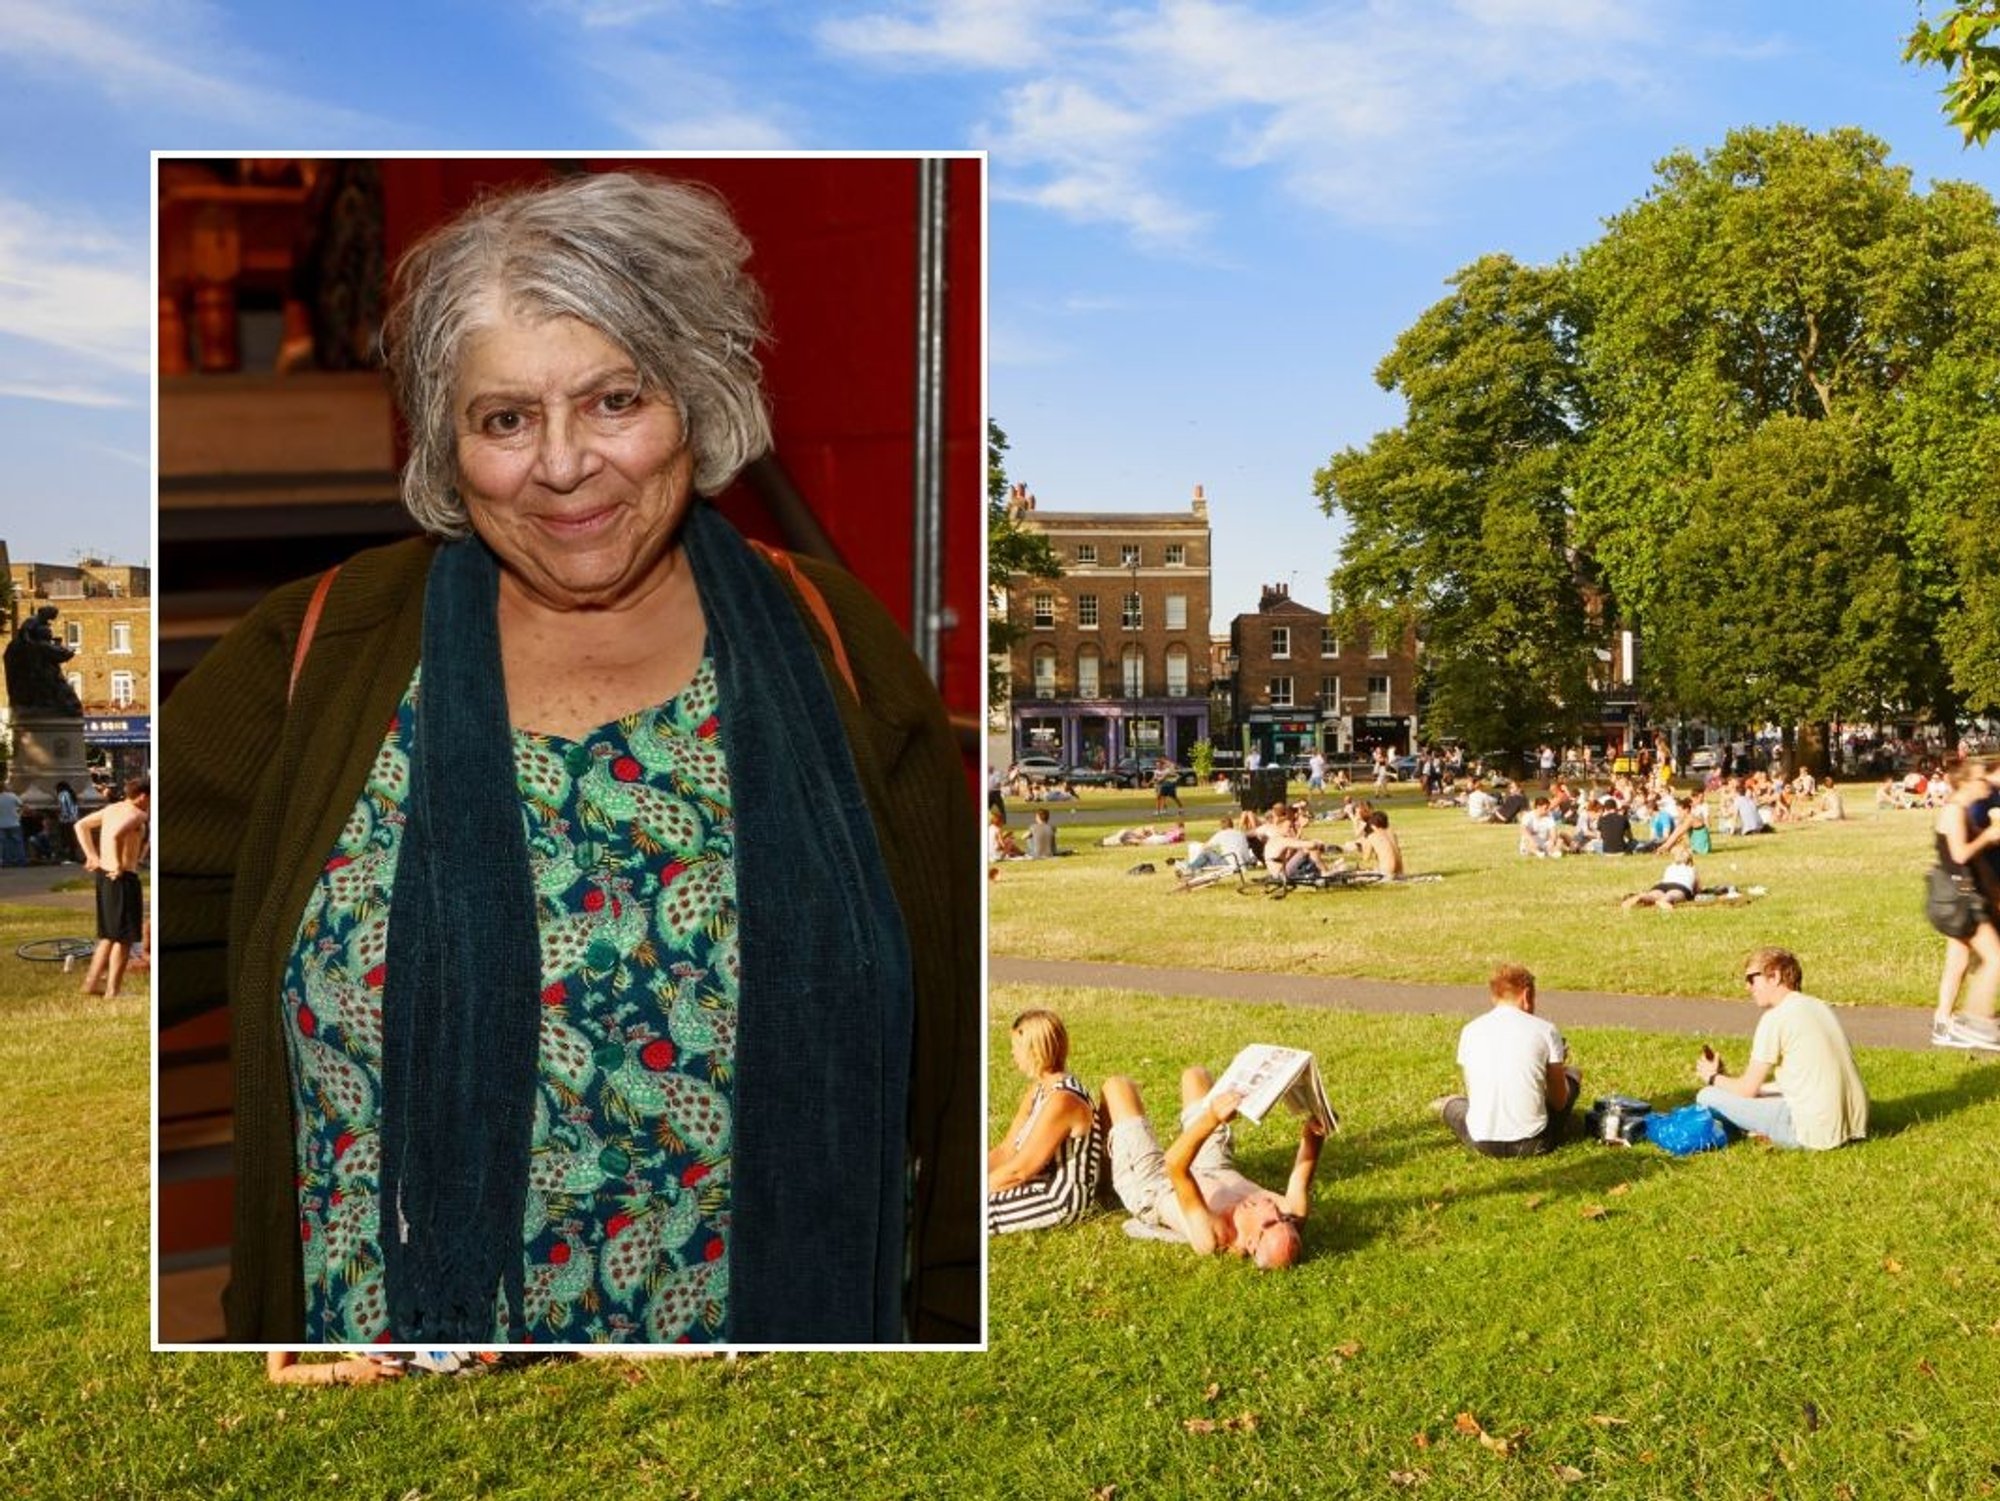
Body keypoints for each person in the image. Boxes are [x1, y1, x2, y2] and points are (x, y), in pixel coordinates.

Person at [157, 171, 977, 1346]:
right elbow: (114, 926)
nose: (558, 465)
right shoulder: (318, 650)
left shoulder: (834, 648)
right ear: (449, 442)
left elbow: (946, 1063)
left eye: (612, 400)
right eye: (504, 419)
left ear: (694, 399)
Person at [1100, 1065, 1326, 1268]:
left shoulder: (1211, 1235)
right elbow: (1306, 1160)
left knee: (1118, 1087)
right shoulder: (1290, 1213)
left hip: (1156, 1185)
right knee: (1196, 1075)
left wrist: (1212, 1118)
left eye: (1270, 1221)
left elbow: (1174, 1165)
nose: (1275, 1209)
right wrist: (1316, 1130)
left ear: (1250, 1242)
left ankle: (1101, 1177)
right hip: (1215, 1168)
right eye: (1284, 1220)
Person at [1695, 947, 1867, 1150]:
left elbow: (1746, 1090)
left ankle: (1744, 1130)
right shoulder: (1818, 1006)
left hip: (1811, 1132)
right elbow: (1793, 1081)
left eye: (1751, 979)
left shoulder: (1775, 1018)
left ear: (1774, 976)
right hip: (1854, 1125)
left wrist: (1713, 1078)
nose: (1747, 988)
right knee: (1762, 1091)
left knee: (1706, 1096)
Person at [1437, 964, 1579, 1157]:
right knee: (1574, 1075)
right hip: (1534, 1142)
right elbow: (1559, 1101)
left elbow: (1474, 1086)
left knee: (1456, 1107)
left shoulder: (1470, 1030)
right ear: (1527, 995)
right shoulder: (1546, 1030)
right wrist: (1557, 1070)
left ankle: (1447, 1103)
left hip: (1482, 1141)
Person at [987, 1011, 1098, 1235]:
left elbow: (1021, 1171)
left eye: (1016, 1047)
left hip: (1060, 1197)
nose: (1012, 1053)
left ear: (1035, 1051)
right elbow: (1007, 1150)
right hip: (1036, 1182)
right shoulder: (1039, 1090)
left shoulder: (1064, 1100)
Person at [1930, 760, 2000, 1051]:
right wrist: (1988, 835)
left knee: (1957, 962)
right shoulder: (1955, 811)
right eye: (1980, 779)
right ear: (1966, 783)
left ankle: (1942, 1023)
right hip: (1960, 899)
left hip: (1957, 896)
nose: (1986, 783)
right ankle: (1976, 1022)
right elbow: (1959, 854)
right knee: (1996, 959)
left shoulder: (1958, 810)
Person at [75, 776, 150, 1000]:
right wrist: (118, 863)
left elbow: (81, 825)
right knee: (124, 938)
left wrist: (92, 856)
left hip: (104, 876)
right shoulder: (139, 814)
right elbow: (118, 835)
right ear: (144, 796)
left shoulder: (111, 809)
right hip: (123, 877)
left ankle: (90, 984)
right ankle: (113, 991)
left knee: (108, 935)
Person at [1621, 846, 1699, 911]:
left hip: (1662, 885)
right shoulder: (1692, 869)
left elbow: (1665, 879)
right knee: (1672, 895)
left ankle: (1641, 896)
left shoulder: (1670, 867)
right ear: (1690, 860)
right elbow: (1697, 889)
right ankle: (1664, 901)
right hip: (1680, 887)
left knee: (1653, 895)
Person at [0, 780, 24, 867]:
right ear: (4, 788)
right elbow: (22, 806)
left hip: (1, 824)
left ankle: (7, 861)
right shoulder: (12, 796)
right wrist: (19, 815)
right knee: (18, 843)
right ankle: (20, 861)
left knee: (4, 844)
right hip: (14, 823)